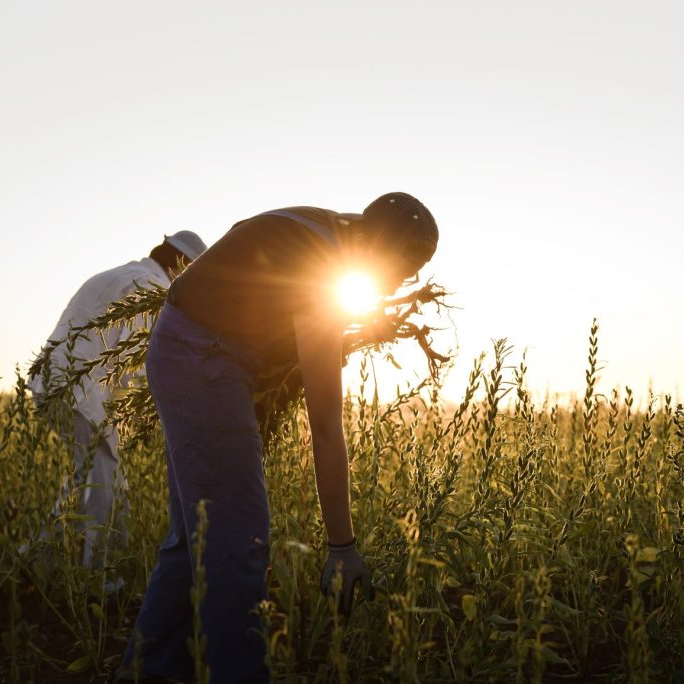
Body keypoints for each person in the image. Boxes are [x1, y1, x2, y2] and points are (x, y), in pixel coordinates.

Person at [115, 193, 439, 683]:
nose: (397, 283)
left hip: (186, 343)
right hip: (202, 357)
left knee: (194, 538)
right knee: (238, 536)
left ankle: (146, 671)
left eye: (409, 274)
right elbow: (326, 427)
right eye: (400, 268)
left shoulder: (329, 228)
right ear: (377, 247)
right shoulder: (322, 274)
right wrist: (341, 547)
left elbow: (251, 256)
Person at [28, 231, 208, 572]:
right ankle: (100, 578)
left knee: (88, 476)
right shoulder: (151, 287)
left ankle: (39, 558)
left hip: (55, 383)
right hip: (80, 392)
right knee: (107, 479)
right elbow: (134, 362)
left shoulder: (118, 275)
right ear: (181, 265)